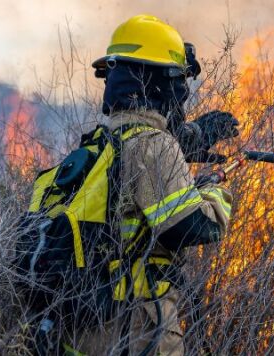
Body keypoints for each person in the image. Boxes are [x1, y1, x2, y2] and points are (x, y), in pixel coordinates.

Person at [61, 14, 239, 355]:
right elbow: (192, 228)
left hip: (84, 330)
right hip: (137, 328)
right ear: (161, 82)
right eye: (179, 81)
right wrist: (213, 191)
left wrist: (188, 142)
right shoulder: (153, 145)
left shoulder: (96, 144)